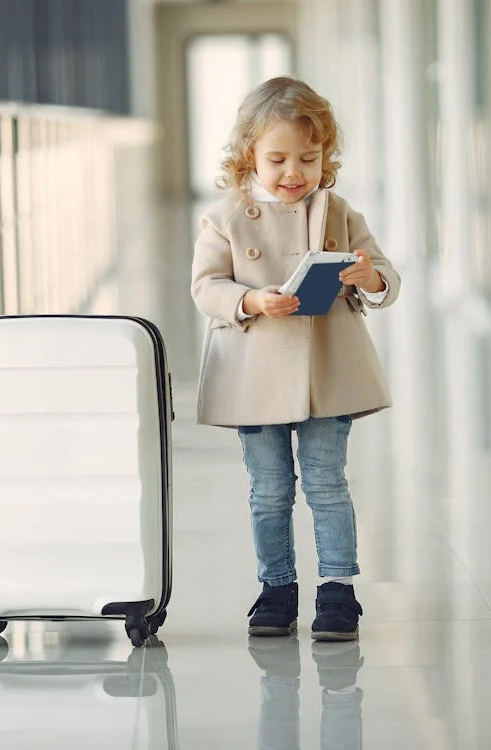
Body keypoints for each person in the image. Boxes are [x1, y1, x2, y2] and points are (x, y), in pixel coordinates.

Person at [190, 76, 400, 642]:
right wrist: (251, 299)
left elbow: (384, 274)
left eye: (308, 158)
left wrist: (369, 277)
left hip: (325, 372)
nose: (293, 173)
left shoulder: (338, 211)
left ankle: (338, 591)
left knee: (327, 482)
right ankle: (276, 587)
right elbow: (205, 287)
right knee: (270, 488)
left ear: (324, 157)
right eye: (277, 158)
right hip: (254, 373)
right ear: (247, 158)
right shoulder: (225, 218)